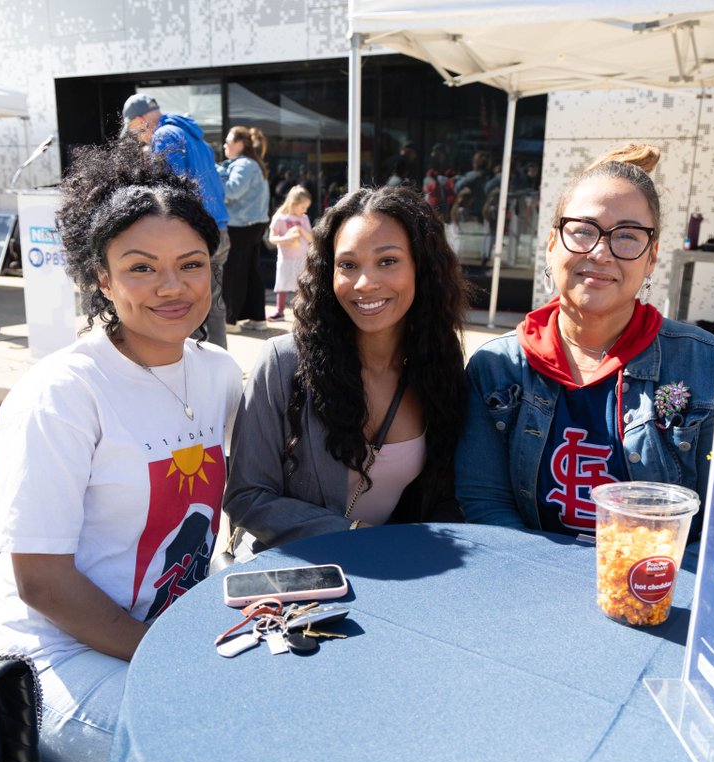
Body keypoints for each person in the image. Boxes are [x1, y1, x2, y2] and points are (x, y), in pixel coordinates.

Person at [0, 138, 243, 762]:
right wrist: (169, 651)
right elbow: (41, 582)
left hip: (168, 631)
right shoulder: (63, 393)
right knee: (223, 752)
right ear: (101, 277)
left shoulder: (219, 373)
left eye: (191, 264)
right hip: (55, 657)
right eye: (141, 267)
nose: (172, 287)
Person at [456, 144, 714, 538]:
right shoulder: (498, 368)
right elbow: (485, 501)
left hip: (660, 574)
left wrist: (642, 572)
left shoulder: (709, 367)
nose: (601, 252)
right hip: (529, 569)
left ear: (651, 258)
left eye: (627, 236)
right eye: (583, 230)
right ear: (551, 244)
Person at [224, 185, 470, 555]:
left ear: (422, 268)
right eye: (348, 265)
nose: (364, 284)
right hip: (293, 576)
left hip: (396, 570)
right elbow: (247, 496)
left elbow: (443, 494)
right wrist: (356, 535)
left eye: (387, 261)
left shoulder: (438, 366)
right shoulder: (283, 362)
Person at [122, 93, 231, 348]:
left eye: (134, 130)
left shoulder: (164, 136)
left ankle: (186, 366)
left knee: (182, 306)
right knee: (213, 304)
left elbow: (170, 194)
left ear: (139, 121)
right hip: (219, 230)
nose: (137, 137)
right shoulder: (194, 136)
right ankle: (219, 363)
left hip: (193, 234)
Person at [218, 126, 270, 331]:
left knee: (234, 272)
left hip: (241, 225)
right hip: (252, 224)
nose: (224, 145)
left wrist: (216, 176)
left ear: (240, 144)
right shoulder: (252, 163)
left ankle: (229, 321)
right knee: (250, 271)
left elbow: (231, 191)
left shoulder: (244, 164)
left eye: (228, 141)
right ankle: (257, 318)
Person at [266, 185, 312, 321]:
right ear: (293, 203)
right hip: (285, 258)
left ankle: (301, 311)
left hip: (302, 257)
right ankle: (279, 311)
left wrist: (300, 229)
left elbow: (311, 238)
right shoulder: (280, 217)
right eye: (303, 207)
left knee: (301, 285)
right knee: (282, 284)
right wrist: (286, 239)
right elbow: (272, 238)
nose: (305, 210)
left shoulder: (304, 218)